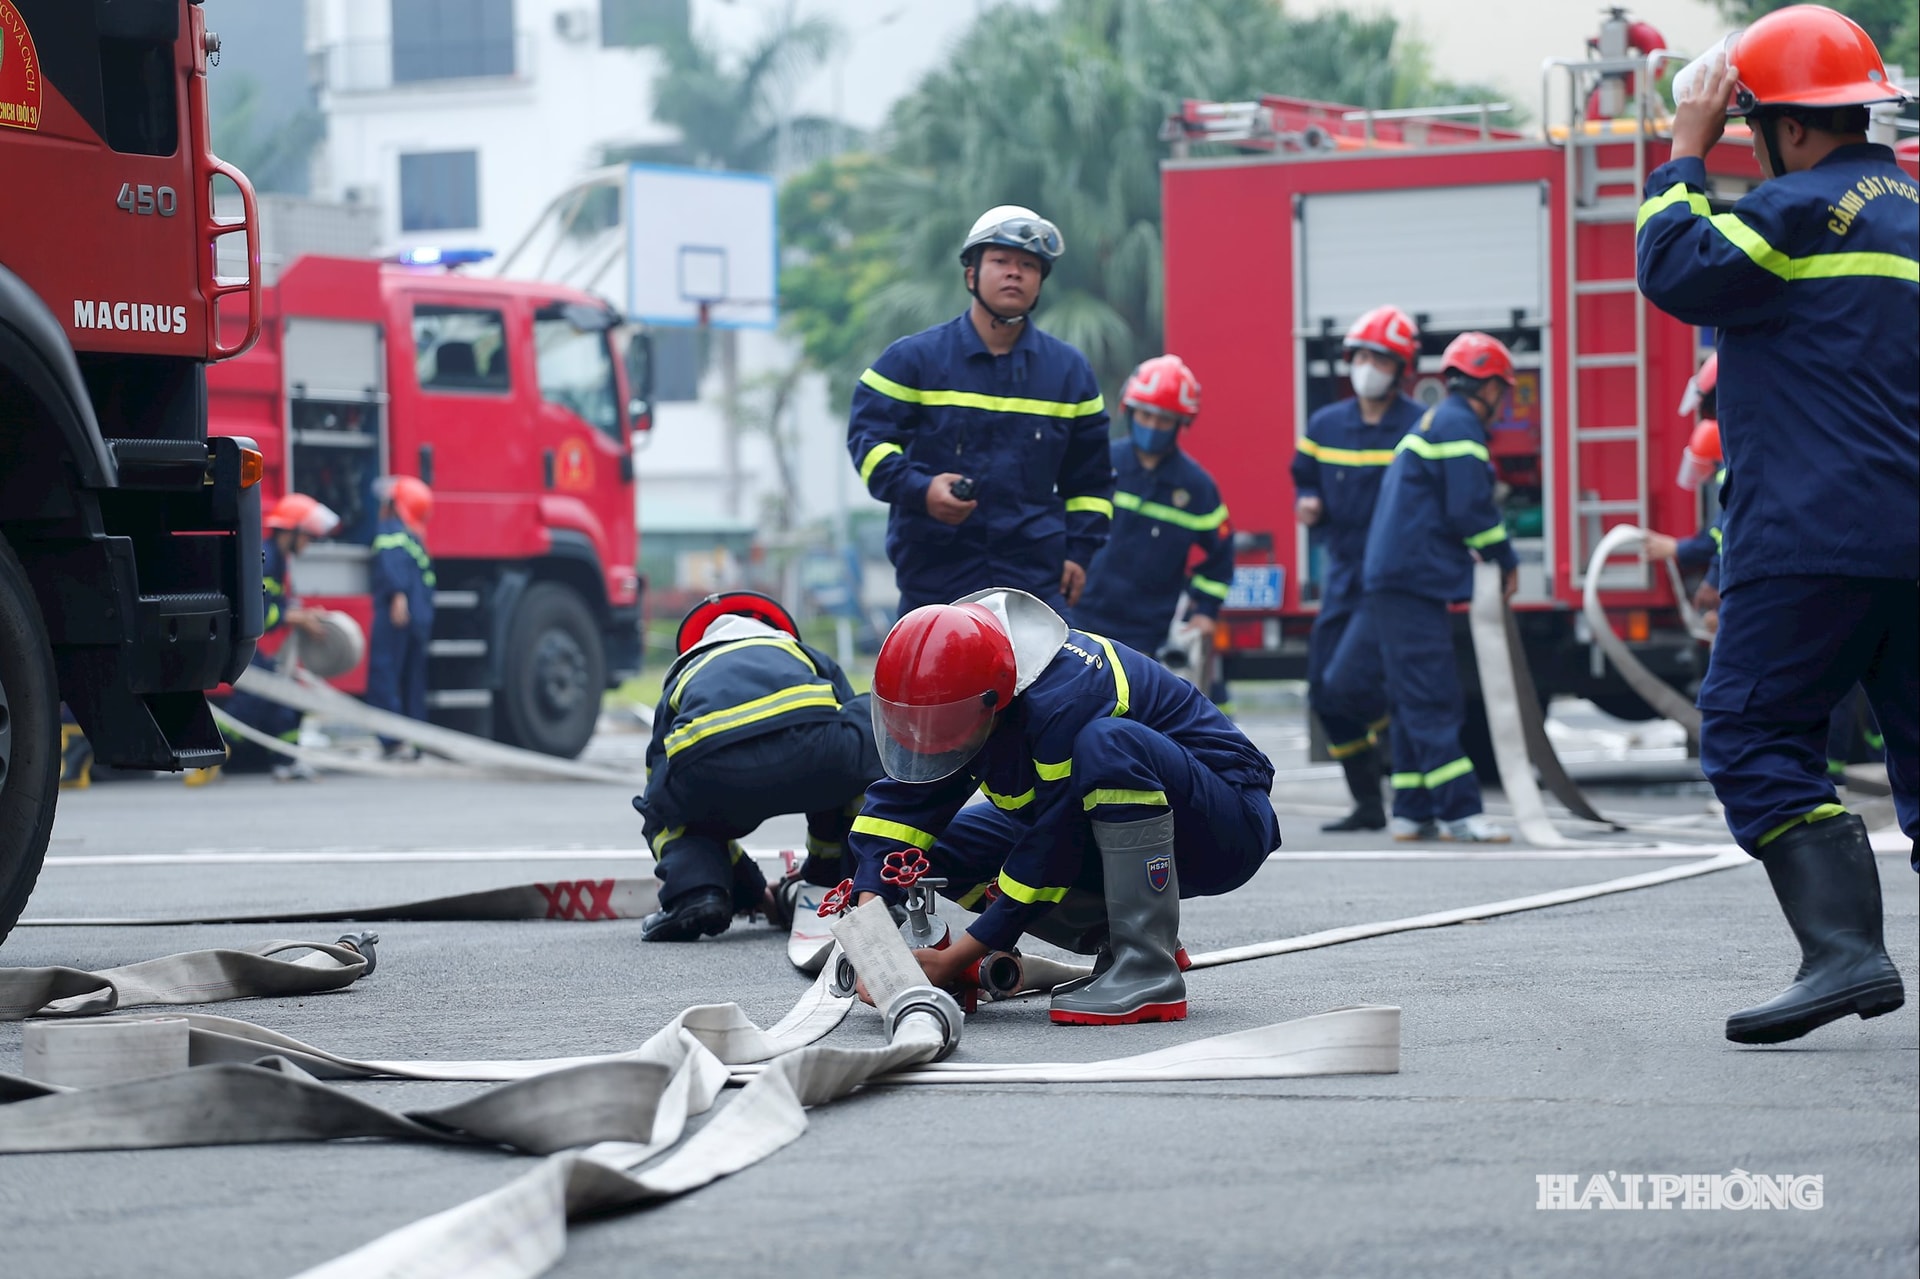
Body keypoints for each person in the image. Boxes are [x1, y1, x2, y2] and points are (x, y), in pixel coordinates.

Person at [1637, 4, 1914, 1044]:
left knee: (1753, 730)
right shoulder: (1915, 215)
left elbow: (1674, 269)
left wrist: (1682, 150)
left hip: (1810, 540)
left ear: (1786, 126)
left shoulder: (1793, 212)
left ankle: (1843, 949)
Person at [847, 588, 1280, 1024]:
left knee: (1109, 744)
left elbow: (1053, 846)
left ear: (995, 700)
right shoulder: (973, 686)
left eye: (939, 726)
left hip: (1224, 828)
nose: (930, 739)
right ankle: (1118, 939)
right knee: (942, 853)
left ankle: (1147, 966)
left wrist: (960, 955)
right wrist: (874, 942)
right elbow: (901, 811)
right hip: (1099, 829)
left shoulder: (1067, 697)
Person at [846, 205, 1114, 616]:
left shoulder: (1070, 373)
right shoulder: (913, 360)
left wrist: (1079, 553)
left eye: (1028, 264)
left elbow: (1091, 484)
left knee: (1053, 683)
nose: (1014, 272)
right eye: (1000, 261)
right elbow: (868, 443)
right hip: (935, 582)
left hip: (1034, 588)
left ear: (1040, 281)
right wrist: (922, 489)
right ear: (971, 274)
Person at [1320, 333, 1521, 843]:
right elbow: (1471, 509)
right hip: (1412, 580)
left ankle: (1412, 808)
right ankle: (1461, 812)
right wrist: (1503, 555)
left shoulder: (1437, 419)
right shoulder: (1459, 425)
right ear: (1490, 385)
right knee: (1434, 696)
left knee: (1411, 696)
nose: (1504, 401)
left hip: (1398, 578)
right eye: (1503, 389)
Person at [633, 592, 883, 941]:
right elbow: (846, 732)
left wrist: (749, 889)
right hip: (814, 755)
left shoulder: (687, 670)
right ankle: (848, 878)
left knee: (662, 807)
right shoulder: (799, 652)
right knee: (859, 745)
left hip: (713, 770)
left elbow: (658, 776)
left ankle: (697, 893)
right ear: (773, 629)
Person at [1290, 306, 1428, 832]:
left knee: (1352, 681)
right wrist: (1308, 500)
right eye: (1362, 356)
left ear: (1401, 368)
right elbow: (1304, 474)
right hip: (1343, 573)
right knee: (1326, 694)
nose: (1368, 367)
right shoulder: (1326, 426)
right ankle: (1368, 802)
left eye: (1381, 359)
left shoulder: (1418, 424)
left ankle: (1412, 767)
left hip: (1392, 577)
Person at [1071, 354, 1233, 685]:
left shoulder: (1197, 487)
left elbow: (1221, 555)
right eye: (1146, 415)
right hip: (1080, 617)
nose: (1153, 426)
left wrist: (1205, 612)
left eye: (1164, 419)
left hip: (1147, 634)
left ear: (1180, 423)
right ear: (1129, 411)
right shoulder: (1100, 464)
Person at [210, 492, 341, 780]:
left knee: (283, 698)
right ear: (291, 532)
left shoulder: (277, 560)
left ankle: (287, 761)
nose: (308, 543)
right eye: (307, 536)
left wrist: (302, 613)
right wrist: (296, 618)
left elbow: (277, 604)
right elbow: (258, 614)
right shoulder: (268, 561)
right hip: (238, 647)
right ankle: (214, 749)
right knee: (253, 702)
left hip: (249, 649)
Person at [367, 475, 436, 757]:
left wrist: (397, 596)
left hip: (397, 615)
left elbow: (391, 564)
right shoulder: (413, 537)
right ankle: (414, 740)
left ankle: (392, 739)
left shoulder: (391, 530)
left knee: (384, 672)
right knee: (413, 681)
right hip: (418, 618)